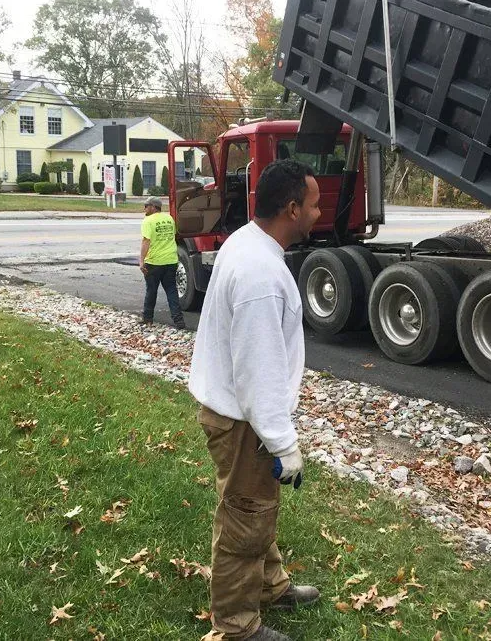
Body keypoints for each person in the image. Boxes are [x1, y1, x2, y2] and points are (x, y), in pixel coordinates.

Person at [189, 159, 322, 641]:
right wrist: (284, 445)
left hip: (235, 414)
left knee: (254, 505)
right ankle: (238, 625)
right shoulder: (260, 276)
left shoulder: (246, 242)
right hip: (245, 422)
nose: (317, 212)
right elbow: (258, 371)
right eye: (312, 205)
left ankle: (270, 586)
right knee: (244, 520)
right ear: (290, 208)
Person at [139, 196, 185, 329]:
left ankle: (148, 319)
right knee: (171, 290)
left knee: (151, 291)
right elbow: (173, 236)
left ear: (153, 207)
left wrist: (141, 261)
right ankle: (179, 321)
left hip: (154, 262)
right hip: (171, 260)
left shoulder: (148, 221)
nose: (144, 208)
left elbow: (146, 241)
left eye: (146, 205)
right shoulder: (169, 219)